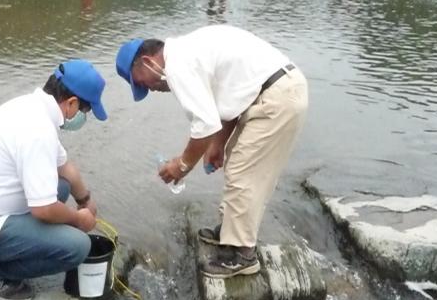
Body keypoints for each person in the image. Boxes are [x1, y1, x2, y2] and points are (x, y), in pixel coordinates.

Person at [116, 25, 308, 279]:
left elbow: (204, 125)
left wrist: (181, 165)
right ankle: (232, 233)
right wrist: (218, 145)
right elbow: (229, 101)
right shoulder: (188, 50)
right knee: (238, 167)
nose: (149, 89)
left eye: (141, 82)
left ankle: (243, 255)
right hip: (273, 91)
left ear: (147, 61)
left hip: (276, 96)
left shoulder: (177, 66)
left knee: (243, 173)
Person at [0, 59, 107, 300]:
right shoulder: (37, 131)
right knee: (78, 247)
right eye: (85, 111)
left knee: (62, 187)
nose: (82, 117)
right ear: (71, 103)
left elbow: (65, 168)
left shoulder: (31, 108)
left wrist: (85, 201)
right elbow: (43, 209)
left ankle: (9, 249)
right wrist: (78, 219)